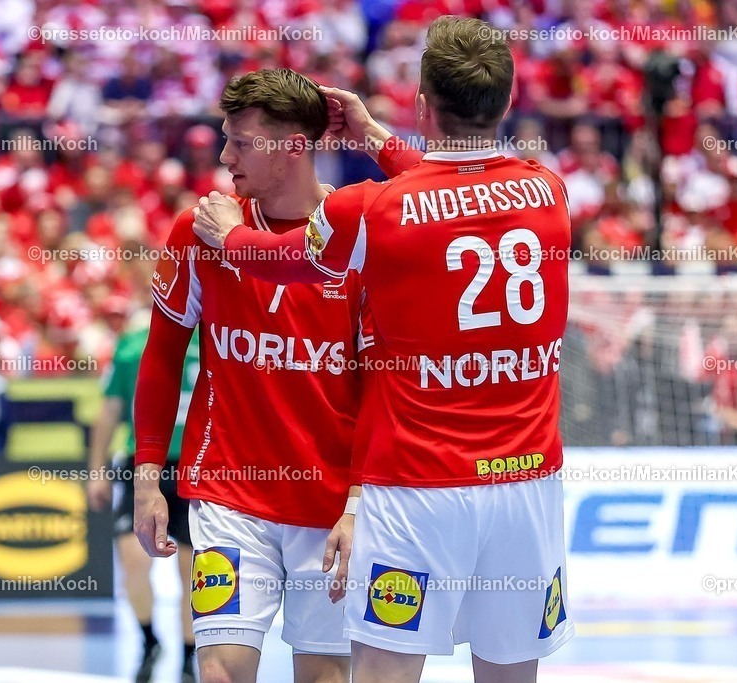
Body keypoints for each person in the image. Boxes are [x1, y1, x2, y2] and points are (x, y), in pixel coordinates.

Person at [192, 17, 574, 683]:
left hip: (422, 482)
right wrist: (378, 140)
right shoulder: (549, 192)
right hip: (527, 478)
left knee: (384, 674)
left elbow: (283, 260)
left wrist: (228, 237)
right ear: (508, 103)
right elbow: (457, 192)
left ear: (424, 104)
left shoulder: (374, 210)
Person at [133, 68, 373, 683]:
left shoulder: (360, 235)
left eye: (241, 141)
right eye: (225, 137)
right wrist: (147, 475)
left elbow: (385, 385)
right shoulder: (197, 229)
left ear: (294, 146)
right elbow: (161, 356)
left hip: (329, 502)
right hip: (229, 490)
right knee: (219, 672)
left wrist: (358, 499)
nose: (224, 154)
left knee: (322, 674)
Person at [86, 317, 201, 683]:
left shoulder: (215, 332)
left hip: (194, 462)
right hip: (143, 463)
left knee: (192, 567)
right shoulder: (133, 344)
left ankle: (187, 654)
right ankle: (150, 639)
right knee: (133, 559)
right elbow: (110, 409)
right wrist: (97, 469)